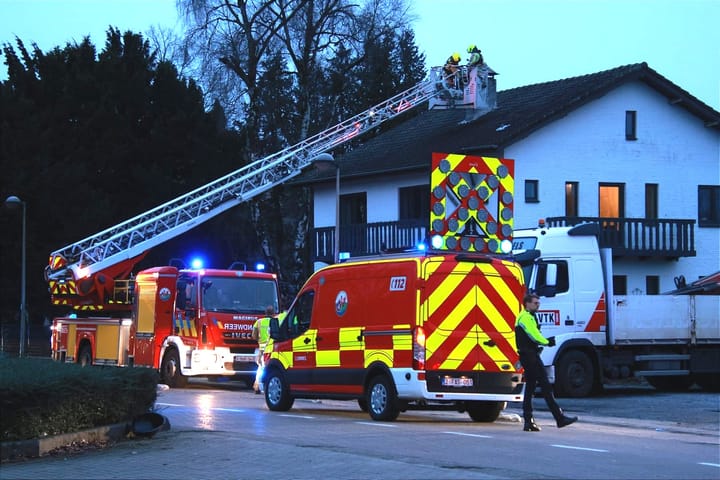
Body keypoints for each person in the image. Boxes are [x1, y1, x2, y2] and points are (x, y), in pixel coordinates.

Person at [515, 292, 578, 431]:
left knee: (530, 388)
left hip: (529, 356)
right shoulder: (525, 317)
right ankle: (559, 418)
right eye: (535, 303)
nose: (538, 305)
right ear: (527, 303)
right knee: (545, 386)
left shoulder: (528, 316)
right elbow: (533, 335)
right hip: (530, 356)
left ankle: (528, 421)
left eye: (539, 303)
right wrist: (547, 342)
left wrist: (544, 342)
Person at [252, 305, 275, 394]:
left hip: (262, 348)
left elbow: (254, 336)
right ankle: (266, 387)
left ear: (265, 313)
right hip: (272, 348)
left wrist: (259, 340)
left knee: (261, 367)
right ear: (273, 313)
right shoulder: (275, 321)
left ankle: (257, 386)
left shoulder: (258, 322)